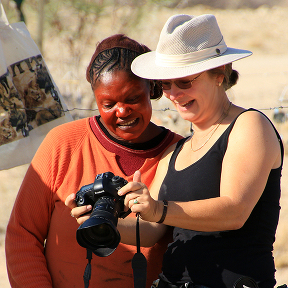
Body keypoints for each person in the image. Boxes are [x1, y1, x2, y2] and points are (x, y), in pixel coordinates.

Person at [113, 14, 284, 288]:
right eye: (165, 84)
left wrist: (157, 209)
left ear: (220, 73)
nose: (173, 93)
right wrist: (105, 225)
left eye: (184, 82)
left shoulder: (249, 125)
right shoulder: (175, 150)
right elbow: (150, 230)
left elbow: (234, 211)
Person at [5, 34, 182, 288]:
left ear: (151, 89)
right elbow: (22, 235)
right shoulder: (63, 144)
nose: (122, 112)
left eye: (133, 99)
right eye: (108, 104)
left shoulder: (179, 154)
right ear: (96, 100)